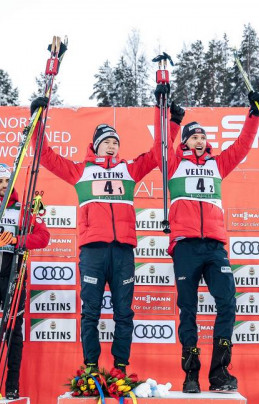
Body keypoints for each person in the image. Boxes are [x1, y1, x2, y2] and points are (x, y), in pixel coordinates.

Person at [30, 85, 181, 373]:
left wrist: (168, 121)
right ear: (96, 144)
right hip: (93, 251)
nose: (112, 146)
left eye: (115, 142)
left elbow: (157, 153)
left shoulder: (129, 169)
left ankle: (120, 368)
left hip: (123, 250)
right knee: (91, 313)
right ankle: (90, 367)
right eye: (107, 141)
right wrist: (38, 121)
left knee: (124, 313)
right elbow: (46, 156)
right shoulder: (80, 170)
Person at [157, 91, 259, 393]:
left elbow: (242, 146)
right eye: (194, 136)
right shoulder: (175, 164)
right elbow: (161, 146)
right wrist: (173, 121)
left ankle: (219, 372)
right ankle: (191, 374)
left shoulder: (218, 164)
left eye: (203, 136)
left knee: (228, 302)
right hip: (186, 245)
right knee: (188, 309)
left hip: (215, 246)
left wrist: (254, 114)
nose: (200, 140)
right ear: (185, 142)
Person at [0, 163, 50, 399]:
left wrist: (17, 240)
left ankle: (12, 385)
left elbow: (43, 237)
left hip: (15, 276)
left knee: (14, 331)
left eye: (7, 181)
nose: (4, 185)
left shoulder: (24, 209)